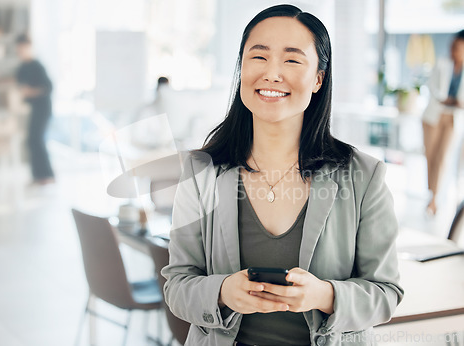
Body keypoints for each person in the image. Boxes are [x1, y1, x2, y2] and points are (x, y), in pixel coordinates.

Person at [162, 4, 403, 346]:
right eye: (258, 57)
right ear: (242, 67)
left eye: (292, 60)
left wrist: (324, 295)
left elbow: (386, 292)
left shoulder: (364, 176)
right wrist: (222, 291)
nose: (272, 73)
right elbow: (177, 284)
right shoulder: (201, 171)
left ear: (319, 77)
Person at [422, 30, 464, 215]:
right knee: (430, 156)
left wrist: (454, 101)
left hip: (453, 118)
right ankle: (431, 193)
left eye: (456, 46)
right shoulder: (442, 63)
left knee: (442, 157)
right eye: (452, 45)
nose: (452, 49)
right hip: (433, 117)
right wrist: (448, 99)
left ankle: (434, 199)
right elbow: (433, 88)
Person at [15, 34, 55, 185]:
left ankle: (47, 175)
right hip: (32, 108)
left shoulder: (37, 65)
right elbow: (19, 85)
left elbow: (48, 87)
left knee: (37, 140)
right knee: (32, 140)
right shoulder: (22, 67)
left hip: (43, 108)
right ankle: (37, 175)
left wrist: (31, 92)